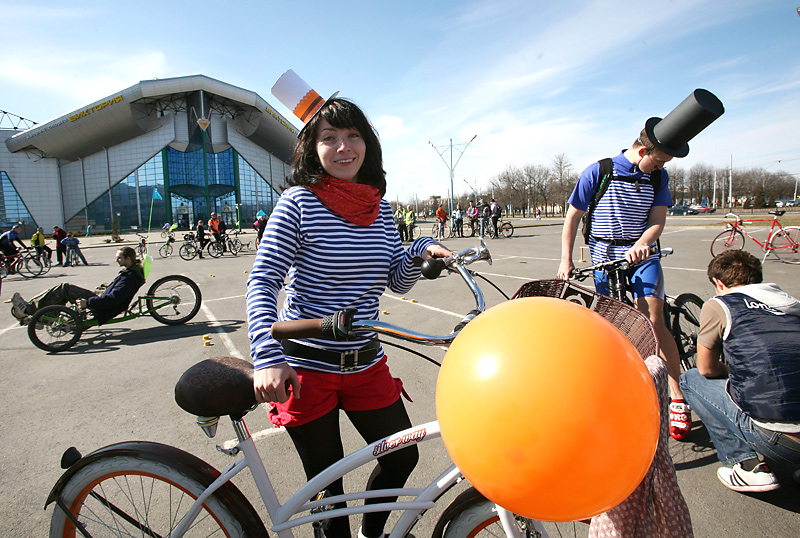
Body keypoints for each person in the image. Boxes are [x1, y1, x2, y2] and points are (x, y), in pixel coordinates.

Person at [249, 72, 451, 538]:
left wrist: (420, 250)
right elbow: (263, 282)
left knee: (402, 455)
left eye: (353, 136)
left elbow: (395, 279)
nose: (343, 148)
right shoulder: (298, 203)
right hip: (307, 365)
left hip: (366, 362)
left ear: (368, 145)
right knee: (328, 486)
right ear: (312, 149)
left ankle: (372, 533)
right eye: (330, 138)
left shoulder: (380, 208)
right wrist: (266, 355)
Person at [556, 89, 724, 441]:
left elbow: (657, 219)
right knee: (613, 326)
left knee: (652, 319)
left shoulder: (657, 177)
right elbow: (573, 217)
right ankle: (620, 394)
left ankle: (677, 398)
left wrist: (643, 243)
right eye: (660, 160)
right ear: (644, 151)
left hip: (643, 254)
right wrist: (566, 259)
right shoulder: (598, 171)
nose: (663, 167)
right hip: (605, 256)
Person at [679, 250, 800, 492]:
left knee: (691, 379)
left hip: (782, 442)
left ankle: (745, 464)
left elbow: (706, 368)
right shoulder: (790, 304)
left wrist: (732, 370)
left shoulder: (721, 304)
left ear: (719, 283)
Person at [10, 246, 145, 326]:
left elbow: (114, 299)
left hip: (102, 308)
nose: (116, 260)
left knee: (65, 288)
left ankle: (29, 310)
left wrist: (88, 302)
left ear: (128, 259)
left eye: (119, 258)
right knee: (63, 291)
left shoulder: (129, 278)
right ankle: (39, 316)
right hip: (100, 299)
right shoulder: (130, 272)